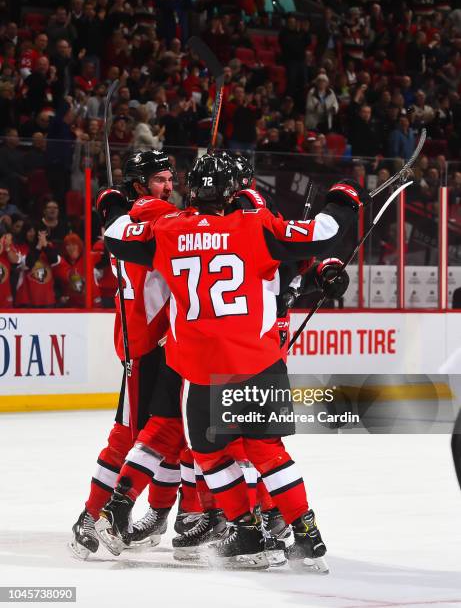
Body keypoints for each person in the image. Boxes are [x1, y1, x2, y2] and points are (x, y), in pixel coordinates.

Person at [100, 153, 366, 569]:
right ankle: (306, 535)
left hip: (199, 363)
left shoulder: (168, 229)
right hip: (260, 356)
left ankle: (244, 529)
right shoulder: (256, 224)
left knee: (207, 452)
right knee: (267, 449)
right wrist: (344, 197)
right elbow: (323, 235)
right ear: (234, 192)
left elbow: (116, 235)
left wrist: (110, 201)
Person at [69, 150, 201, 559]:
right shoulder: (158, 215)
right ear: (142, 185)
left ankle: (167, 514)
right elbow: (188, 224)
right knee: (136, 436)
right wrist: (208, 204)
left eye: (171, 179)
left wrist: (111, 204)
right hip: (150, 347)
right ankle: (91, 516)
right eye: (162, 179)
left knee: (175, 434)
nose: (170, 187)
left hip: (149, 343)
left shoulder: (122, 220)